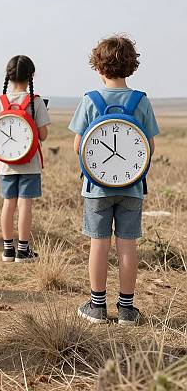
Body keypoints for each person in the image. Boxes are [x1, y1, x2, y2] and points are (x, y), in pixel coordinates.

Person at [69, 35, 159, 325]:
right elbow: (150, 147)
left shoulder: (89, 100)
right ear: (132, 66)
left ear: (98, 67)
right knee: (127, 246)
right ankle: (126, 309)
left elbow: (77, 146)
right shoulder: (141, 101)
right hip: (131, 188)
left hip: (96, 187)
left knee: (99, 243)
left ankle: (96, 306)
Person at [0, 56, 51, 262]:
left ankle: (8, 249)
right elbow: (43, 135)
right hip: (30, 163)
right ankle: (23, 250)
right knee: (25, 205)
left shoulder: (1, 101)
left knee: (8, 203)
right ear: (31, 76)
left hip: (6, 164)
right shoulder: (36, 101)